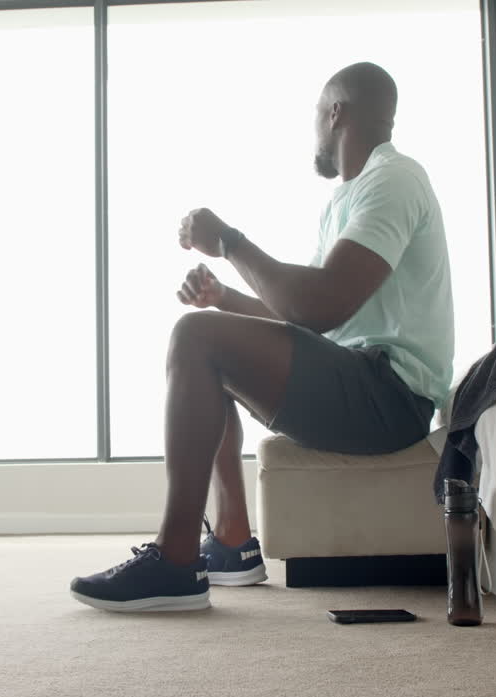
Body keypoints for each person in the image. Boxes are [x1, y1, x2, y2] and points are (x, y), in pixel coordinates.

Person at [70, 61, 455, 612]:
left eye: (317, 117)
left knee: (194, 338)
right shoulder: (347, 200)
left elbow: (318, 304)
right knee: (209, 343)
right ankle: (231, 545)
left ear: (336, 113)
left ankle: (174, 563)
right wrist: (225, 301)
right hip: (360, 378)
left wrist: (227, 240)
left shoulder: (393, 179)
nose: (315, 134)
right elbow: (308, 319)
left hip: (390, 395)